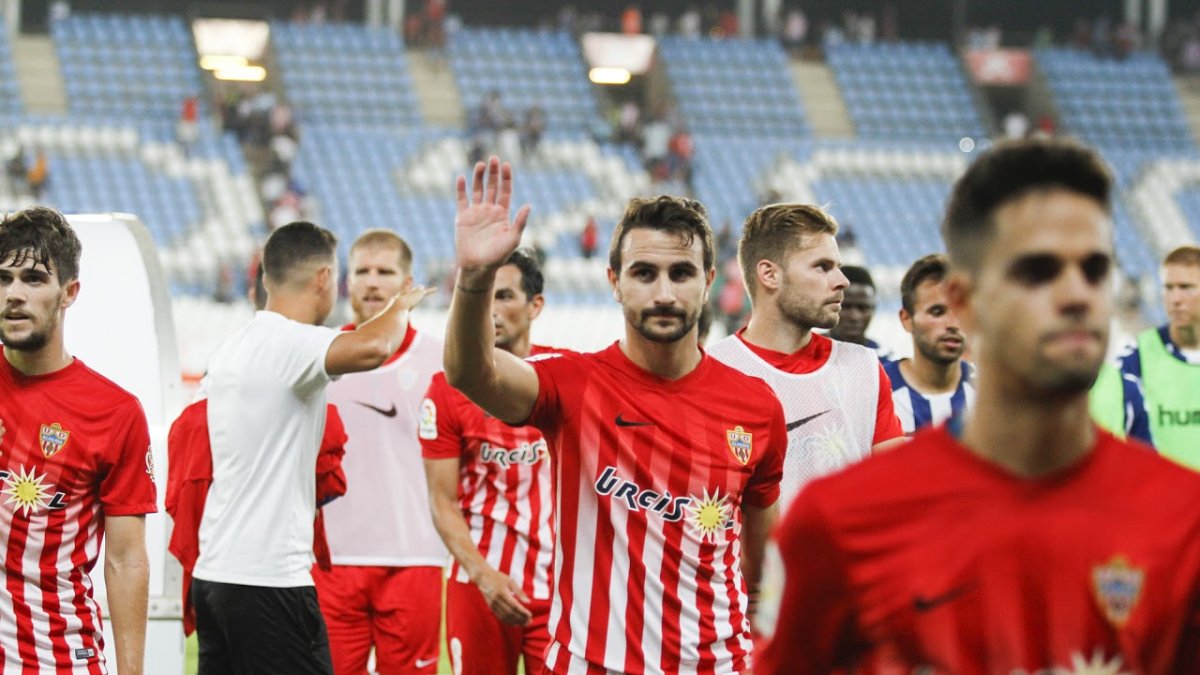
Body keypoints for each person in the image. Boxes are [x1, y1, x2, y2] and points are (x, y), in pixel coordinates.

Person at [757, 138, 1200, 673]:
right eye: (1037, 270)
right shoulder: (837, 523)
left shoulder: (1183, 520)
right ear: (965, 303)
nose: (1078, 294)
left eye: (1095, 268)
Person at [445, 157, 786, 674]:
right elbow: (472, 373)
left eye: (682, 273)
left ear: (709, 280)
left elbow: (757, 564)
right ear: (614, 281)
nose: (665, 293)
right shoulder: (572, 383)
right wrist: (474, 277)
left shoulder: (757, 407)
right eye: (644, 273)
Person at [192, 221, 430, 674]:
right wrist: (401, 305)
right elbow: (375, 345)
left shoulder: (234, 347)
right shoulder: (293, 343)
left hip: (215, 575)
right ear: (324, 278)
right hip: (268, 580)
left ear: (265, 278)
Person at [0, 206, 156, 673]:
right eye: (3, 279)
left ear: (69, 293)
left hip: (55, 657)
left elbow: (126, 559)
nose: (14, 294)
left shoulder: (114, 413)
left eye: (33, 279)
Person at [706, 203, 904, 505]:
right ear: (770, 275)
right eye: (822, 267)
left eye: (837, 266)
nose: (842, 281)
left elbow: (897, 496)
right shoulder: (711, 372)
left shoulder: (864, 368)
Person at [315, 229, 447, 674]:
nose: (372, 283)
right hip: (332, 560)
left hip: (415, 556)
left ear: (408, 284)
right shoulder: (319, 356)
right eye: (363, 272)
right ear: (346, 282)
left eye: (385, 272)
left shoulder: (441, 361)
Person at [422, 248, 557, 675]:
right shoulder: (445, 390)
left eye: (504, 297)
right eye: (484, 298)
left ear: (535, 305)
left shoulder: (566, 375)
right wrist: (483, 575)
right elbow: (442, 501)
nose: (491, 311)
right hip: (479, 588)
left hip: (560, 591)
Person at [1099, 245, 1200, 467]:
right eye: (1168, 288)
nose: (1175, 298)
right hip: (1168, 498)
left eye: (1185, 287)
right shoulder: (1135, 360)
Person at [883, 253, 975, 434]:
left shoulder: (990, 392)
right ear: (907, 319)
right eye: (937, 312)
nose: (953, 324)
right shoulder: (876, 391)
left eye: (960, 310)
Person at [826, 263, 892, 360]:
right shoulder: (805, 353)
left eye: (863, 308)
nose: (854, 317)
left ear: (873, 309)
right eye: (846, 307)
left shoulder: (884, 360)